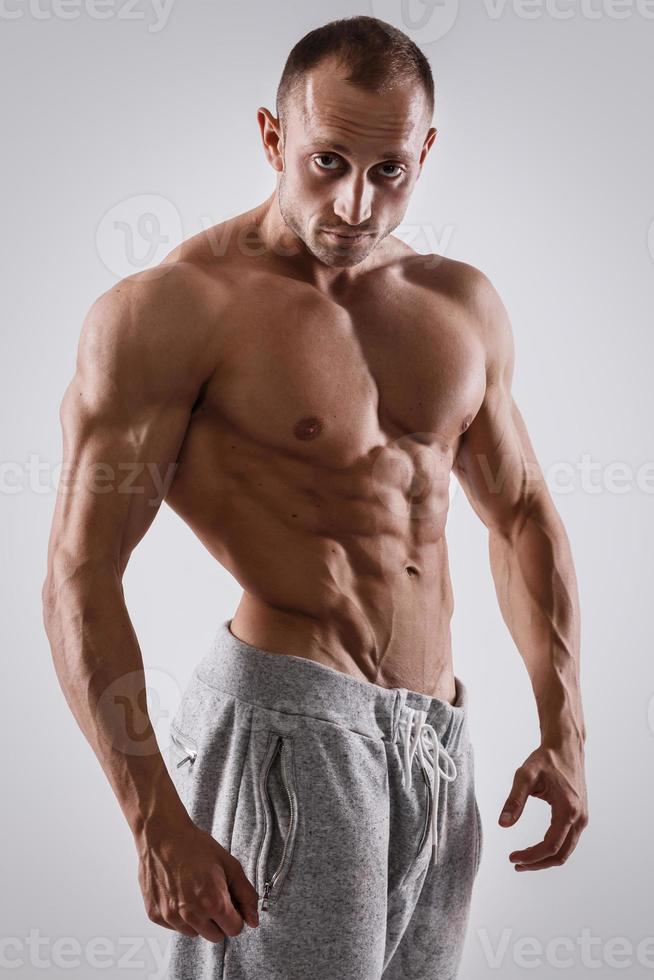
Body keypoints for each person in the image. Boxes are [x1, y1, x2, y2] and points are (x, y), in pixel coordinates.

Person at [42, 14, 588, 980]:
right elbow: (80, 576)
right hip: (289, 729)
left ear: (425, 150)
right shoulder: (171, 312)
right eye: (326, 160)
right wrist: (155, 823)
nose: (355, 202)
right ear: (271, 138)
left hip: (434, 738)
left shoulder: (460, 305)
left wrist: (564, 727)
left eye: (389, 171)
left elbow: (522, 517)